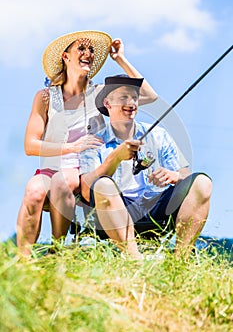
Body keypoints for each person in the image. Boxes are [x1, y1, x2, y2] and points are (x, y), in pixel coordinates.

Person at [16, 30, 158, 256]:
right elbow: (30, 145)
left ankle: (56, 251)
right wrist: (70, 147)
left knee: (62, 182)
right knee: (33, 192)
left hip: (83, 167)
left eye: (91, 50)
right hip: (50, 165)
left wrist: (120, 59)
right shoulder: (45, 97)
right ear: (66, 57)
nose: (88, 54)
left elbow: (150, 96)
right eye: (81, 49)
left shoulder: (99, 93)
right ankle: (22, 263)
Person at [80, 75, 212, 260]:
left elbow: (185, 175)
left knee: (202, 182)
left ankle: (180, 261)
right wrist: (115, 158)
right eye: (123, 97)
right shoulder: (93, 140)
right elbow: (86, 190)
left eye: (134, 97)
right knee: (103, 185)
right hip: (116, 210)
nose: (131, 102)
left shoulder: (158, 134)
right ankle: (135, 259)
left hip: (155, 207)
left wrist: (174, 176)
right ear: (107, 103)